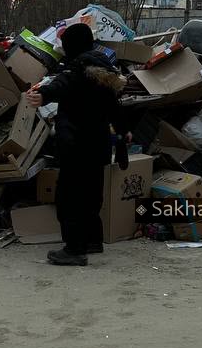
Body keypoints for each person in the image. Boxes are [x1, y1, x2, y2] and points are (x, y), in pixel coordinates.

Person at [25, 23, 129, 266]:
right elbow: (115, 107)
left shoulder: (77, 68)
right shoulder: (105, 69)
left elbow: (63, 84)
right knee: (92, 196)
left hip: (76, 144)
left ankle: (74, 249)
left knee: (70, 197)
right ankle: (93, 241)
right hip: (98, 145)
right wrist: (124, 132)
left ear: (73, 44)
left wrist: (44, 96)